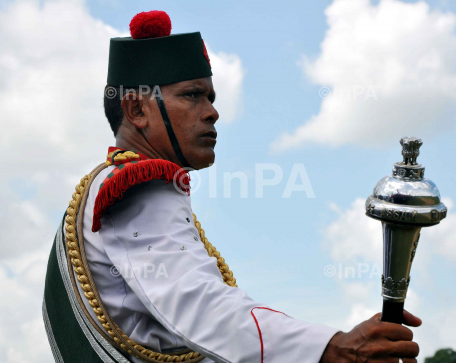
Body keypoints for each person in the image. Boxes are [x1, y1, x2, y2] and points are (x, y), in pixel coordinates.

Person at [43, 10, 421, 363]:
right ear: (137, 110)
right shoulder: (139, 185)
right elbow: (201, 307)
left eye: (210, 97)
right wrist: (331, 347)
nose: (212, 111)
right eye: (192, 95)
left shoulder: (105, 185)